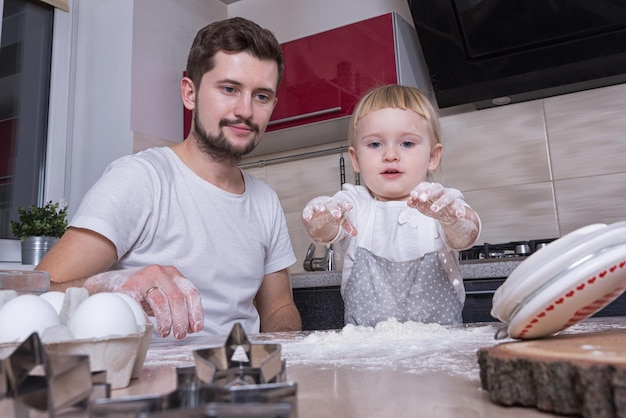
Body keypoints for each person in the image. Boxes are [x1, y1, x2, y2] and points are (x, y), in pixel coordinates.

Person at [37, 17, 302, 339]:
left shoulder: (265, 200)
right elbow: (41, 294)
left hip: (241, 380)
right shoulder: (141, 179)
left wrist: (289, 350)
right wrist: (109, 286)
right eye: (229, 89)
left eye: (261, 96)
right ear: (190, 93)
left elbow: (278, 308)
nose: (245, 110)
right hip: (154, 383)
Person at [301, 84, 481, 327]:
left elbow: (466, 235)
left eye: (407, 143)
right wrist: (321, 217)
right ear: (355, 159)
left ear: (432, 156)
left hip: (437, 353)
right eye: (375, 144)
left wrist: (452, 219)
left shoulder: (440, 202)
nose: (390, 155)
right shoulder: (354, 203)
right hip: (368, 358)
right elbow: (323, 233)